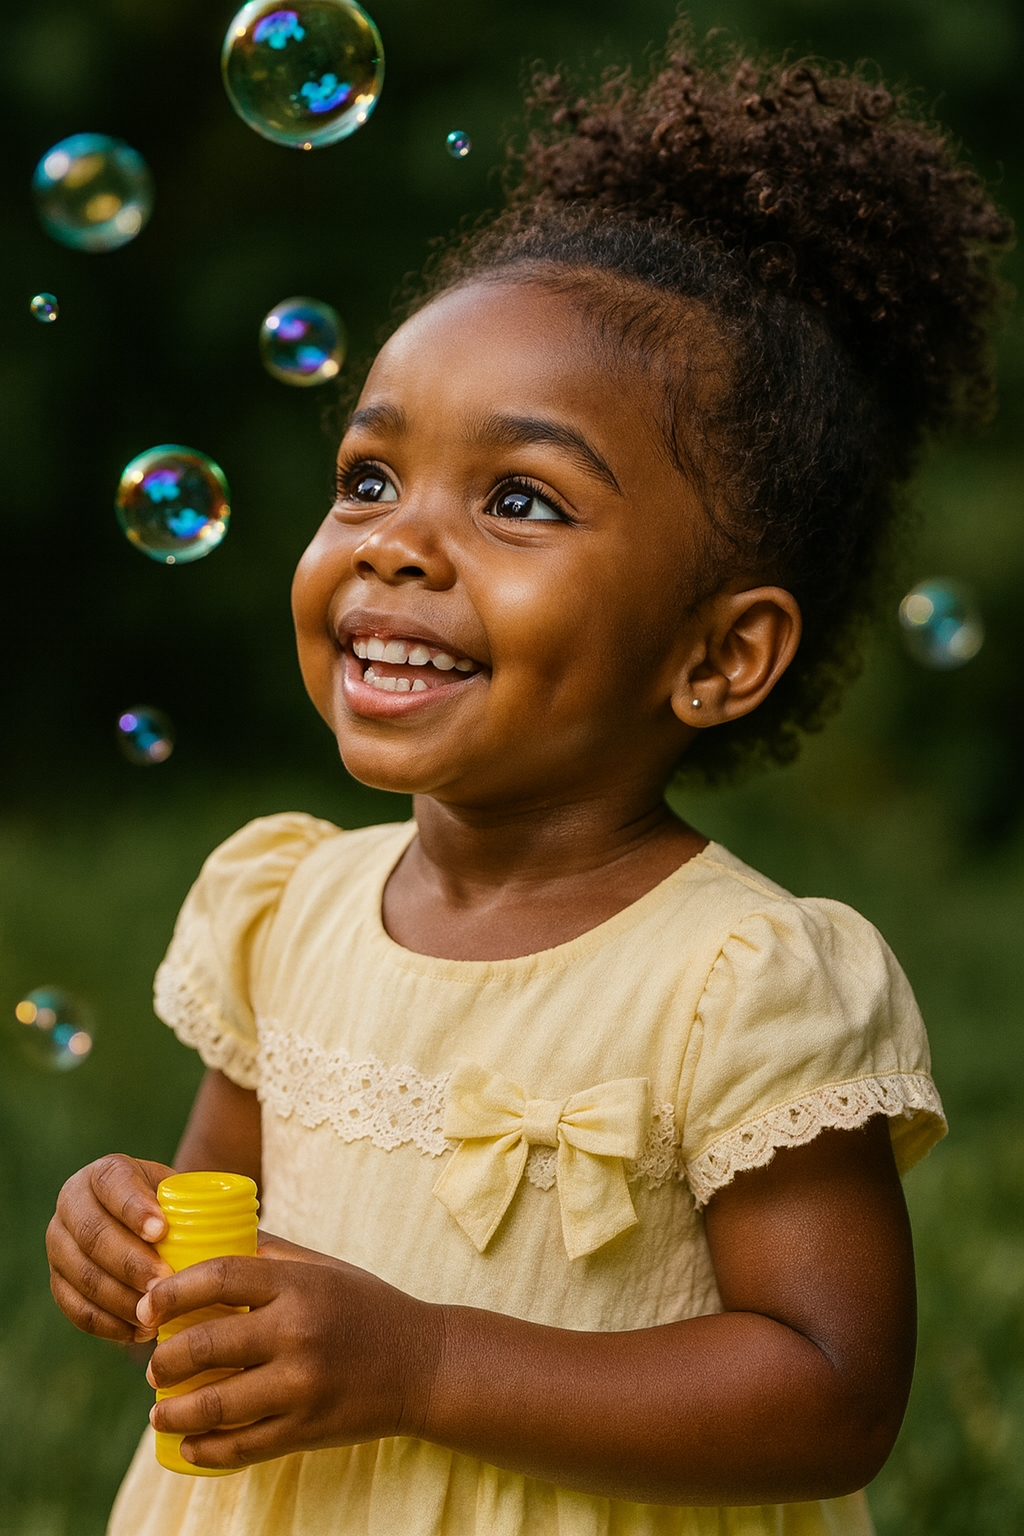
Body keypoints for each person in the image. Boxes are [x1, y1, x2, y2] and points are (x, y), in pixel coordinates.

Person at [47, 26, 1008, 1536]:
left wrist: (422, 1360)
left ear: (719, 656)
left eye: (517, 499)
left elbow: (833, 1392)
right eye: (369, 476)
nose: (397, 541)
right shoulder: (283, 905)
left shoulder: (740, 983)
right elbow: (227, 1240)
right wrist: (137, 1240)